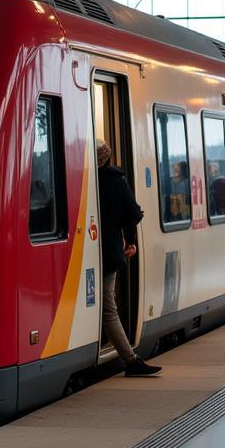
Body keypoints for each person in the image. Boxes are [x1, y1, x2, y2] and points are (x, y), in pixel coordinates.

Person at [97, 140, 160, 376]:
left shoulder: (81, 182)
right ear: (108, 157)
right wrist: (129, 239)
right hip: (110, 252)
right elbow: (133, 213)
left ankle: (130, 359)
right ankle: (131, 361)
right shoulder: (116, 180)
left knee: (105, 307)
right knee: (108, 309)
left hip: (85, 254)